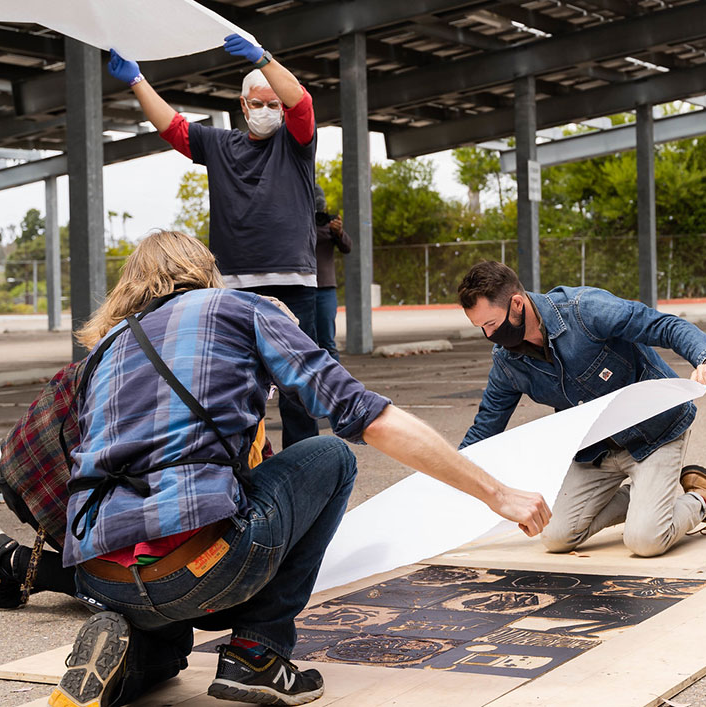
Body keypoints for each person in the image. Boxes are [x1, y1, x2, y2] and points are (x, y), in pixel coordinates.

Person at [46, 232, 550, 707]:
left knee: (168, 649)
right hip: (200, 567)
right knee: (330, 456)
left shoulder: (104, 349)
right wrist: (497, 494)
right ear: (204, 272)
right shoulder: (241, 309)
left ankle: (130, 649)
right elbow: (367, 416)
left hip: (100, 577)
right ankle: (256, 652)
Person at [456, 261, 706, 560]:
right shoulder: (507, 362)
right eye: (481, 327)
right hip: (596, 451)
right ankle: (647, 500)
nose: (489, 335)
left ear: (517, 304)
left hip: (655, 434)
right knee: (555, 536)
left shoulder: (584, 310)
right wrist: (445, 476)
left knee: (646, 541)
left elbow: (661, 325)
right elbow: (486, 427)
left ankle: (704, 501)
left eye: (491, 324)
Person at [107, 33, 321, 449]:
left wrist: (263, 58)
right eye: (257, 103)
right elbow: (172, 127)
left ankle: (303, 461)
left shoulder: (296, 143)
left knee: (298, 383)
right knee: (235, 380)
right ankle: (245, 461)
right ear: (243, 105)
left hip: (293, 281)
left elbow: (302, 103)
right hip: (233, 285)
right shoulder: (220, 145)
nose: (266, 111)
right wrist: (136, 81)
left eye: (273, 104)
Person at [311, 185, 349, 360]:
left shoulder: (330, 226)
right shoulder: (300, 224)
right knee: (305, 339)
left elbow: (347, 247)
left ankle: (335, 377)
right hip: (304, 286)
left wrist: (338, 233)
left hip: (326, 287)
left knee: (327, 341)